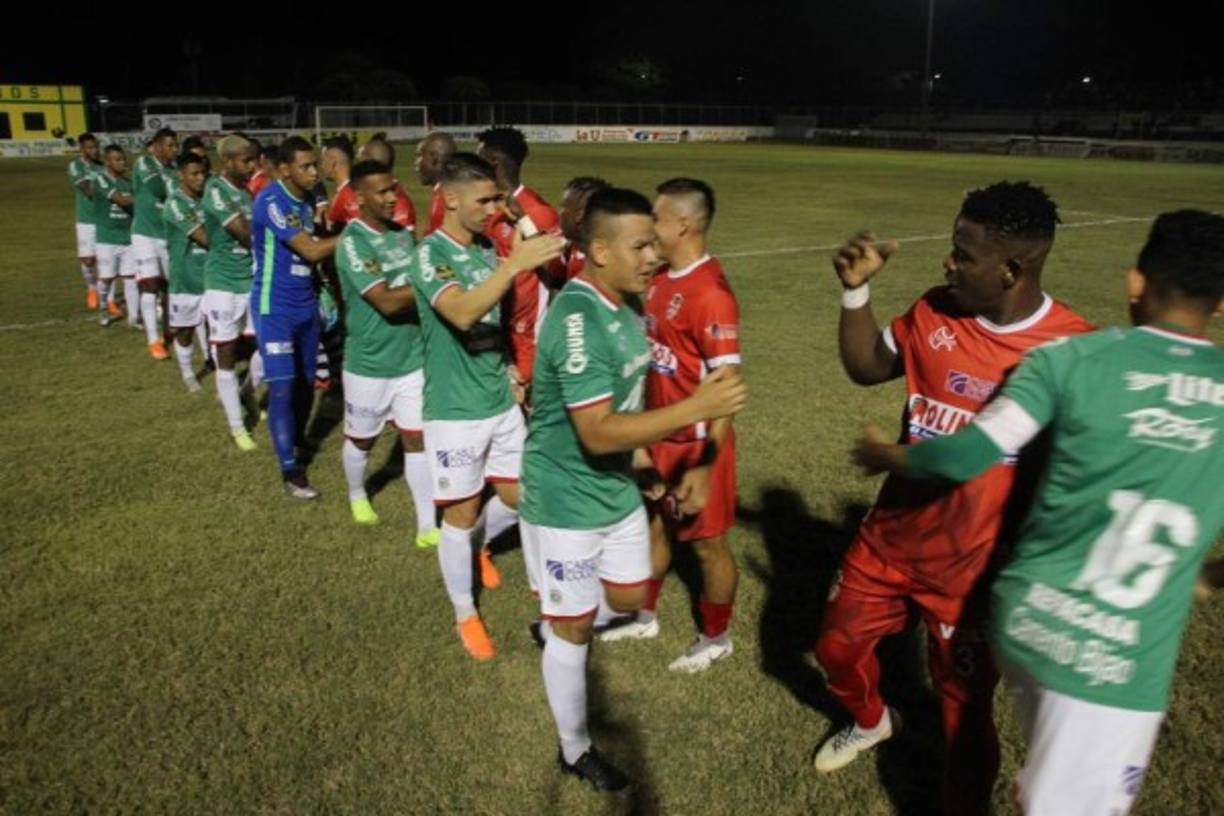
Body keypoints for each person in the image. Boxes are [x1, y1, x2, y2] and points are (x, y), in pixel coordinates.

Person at [850, 209, 1224, 816]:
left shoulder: (1068, 358)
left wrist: (891, 456)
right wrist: (1206, 574)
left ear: (1135, 282)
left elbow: (966, 453)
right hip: (1115, 659)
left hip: (1026, 618)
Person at [811, 182, 1094, 816]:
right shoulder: (936, 309)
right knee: (835, 648)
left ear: (1011, 269)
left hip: (972, 575)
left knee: (963, 711)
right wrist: (854, 292)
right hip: (887, 543)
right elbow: (868, 366)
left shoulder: (1073, 351)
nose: (949, 263)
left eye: (964, 255)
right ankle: (872, 721)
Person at [520, 187, 747, 790]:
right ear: (599, 251)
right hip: (566, 497)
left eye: (655, 242)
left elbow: (626, 401)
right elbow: (596, 432)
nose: (653, 256)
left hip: (618, 487)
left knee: (626, 597)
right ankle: (575, 748)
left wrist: (643, 456)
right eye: (640, 246)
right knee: (574, 629)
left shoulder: (625, 304)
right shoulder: (577, 319)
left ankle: (562, 613)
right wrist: (695, 408)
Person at [410, 153, 562, 659]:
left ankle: (484, 550)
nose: (494, 208)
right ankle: (464, 613)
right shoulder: (430, 254)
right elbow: (461, 312)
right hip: (455, 411)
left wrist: (509, 367)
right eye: (485, 200)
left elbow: (494, 321)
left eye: (498, 198)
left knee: (524, 496)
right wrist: (514, 264)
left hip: (499, 400)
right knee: (462, 512)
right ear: (451, 200)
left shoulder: (484, 249)